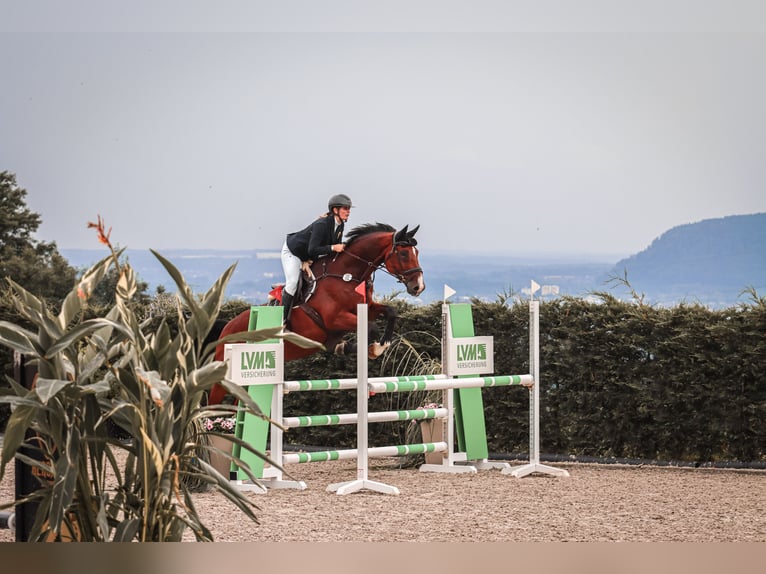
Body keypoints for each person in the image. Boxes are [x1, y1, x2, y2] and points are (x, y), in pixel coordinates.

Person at [280, 193, 352, 322]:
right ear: (335, 210)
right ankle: (281, 321)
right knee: (292, 283)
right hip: (293, 252)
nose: (348, 212)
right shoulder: (322, 224)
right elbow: (314, 249)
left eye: (349, 208)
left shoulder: (340, 224)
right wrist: (332, 248)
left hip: (308, 256)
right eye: (345, 208)